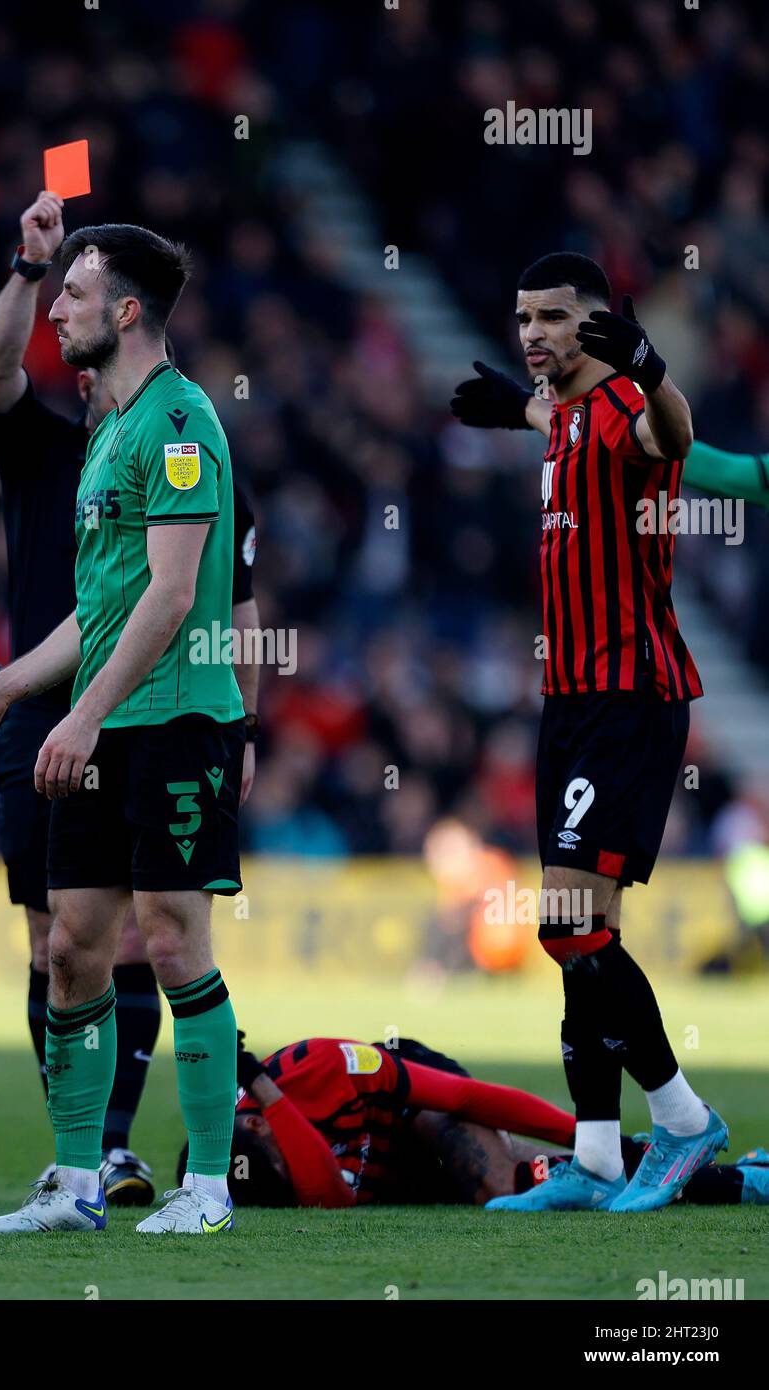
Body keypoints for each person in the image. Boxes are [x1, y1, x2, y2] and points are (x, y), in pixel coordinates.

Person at [0, 221, 247, 1236]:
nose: (54, 309)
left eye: (71, 292)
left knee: (168, 939)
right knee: (72, 946)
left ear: (123, 311)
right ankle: (73, 1183)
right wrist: (6, 688)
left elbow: (168, 597)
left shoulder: (179, 422)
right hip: (104, 722)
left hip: (175, 722)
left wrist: (82, 713)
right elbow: (97, 613)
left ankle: (206, 1188)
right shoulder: (107, 433)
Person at [450, 253, 727, 1212]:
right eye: (522, 316)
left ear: (595, 326)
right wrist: (512, 410)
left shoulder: (621, 411)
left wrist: (652, 369)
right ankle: (600, 1154)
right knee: (581, 931)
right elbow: (548, 416)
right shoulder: (563, 416)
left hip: (630, 695)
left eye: (553, 317)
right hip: (568, 700)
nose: (530, 333)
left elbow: (672, 432)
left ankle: (685, 1120)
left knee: (568, 927)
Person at [216, 1033, 769, 1210]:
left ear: (262, 1128)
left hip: (425, 1110)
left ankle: (737, 1182)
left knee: (500, 1186)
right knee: (533, 1179)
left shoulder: (321, 1067)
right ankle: (651, 1158)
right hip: (397, 1170)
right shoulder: (261, 1145)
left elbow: (470, 1097)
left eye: (279, 1166)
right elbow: (327, 1196)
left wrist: (598, 1137)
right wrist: (266, 1098)